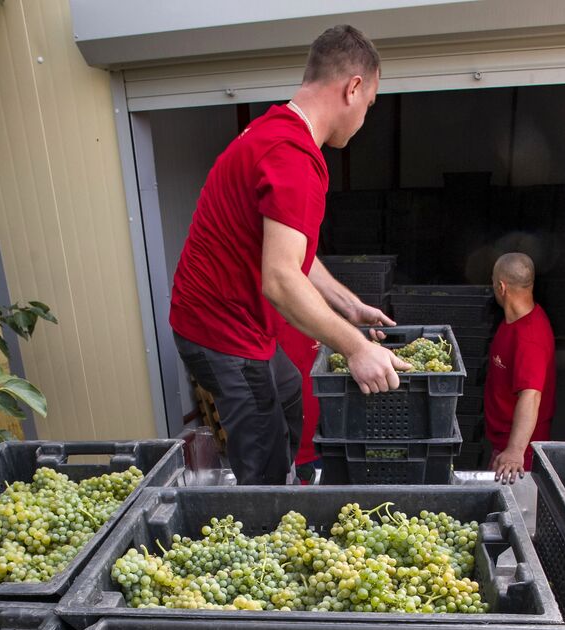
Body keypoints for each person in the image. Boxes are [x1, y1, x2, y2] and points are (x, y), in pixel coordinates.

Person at [169, 24, 408, 486]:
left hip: (228, 320)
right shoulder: (293, 157)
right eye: (370, 104)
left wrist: (348, 305)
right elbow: (280, 280)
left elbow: (291, 251)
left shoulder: (273, 130)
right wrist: (357, 348)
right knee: (263, 452)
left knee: (290, 391)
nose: (365, 117)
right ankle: (267, 523)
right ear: (353, 88)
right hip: (220, 331)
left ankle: (286, 484)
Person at [485, 252, 556, 484]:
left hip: (518, 457)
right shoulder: (513, 322)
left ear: (501, 287)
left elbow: (531, 396)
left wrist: (515, 452)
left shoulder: (529, 338)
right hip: (502, 445)